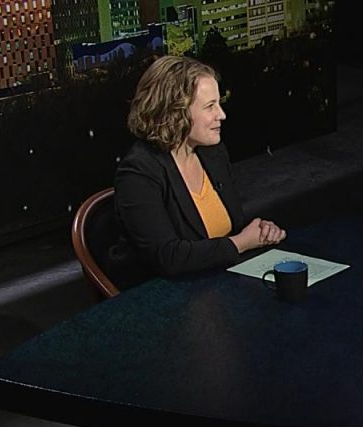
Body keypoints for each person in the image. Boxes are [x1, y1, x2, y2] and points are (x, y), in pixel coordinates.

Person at [107, 55, 285, 289]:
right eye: (210, 106)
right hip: (163, 299)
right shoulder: (138, 172)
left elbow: (230, 228)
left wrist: (259, 233)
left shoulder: (213, 152)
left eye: (219, 104)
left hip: (215, 284)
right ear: (174, 113)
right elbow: (169, 257)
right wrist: (241, 243)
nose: (221, 115)